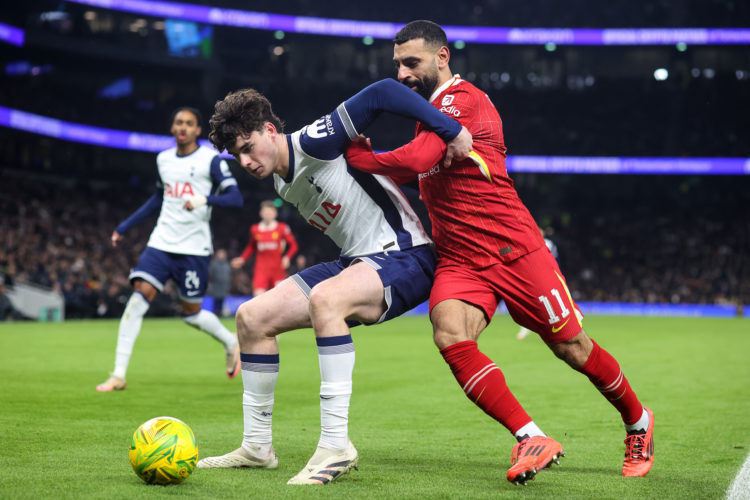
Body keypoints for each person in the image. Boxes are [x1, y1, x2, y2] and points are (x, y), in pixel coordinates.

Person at [345, 20, 653, 483]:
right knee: (450, 334)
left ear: (442, 57)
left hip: (513, 249)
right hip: (461, 259)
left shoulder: (461, 100)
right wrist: (378, 162)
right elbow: (415, 169)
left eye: (413, 62)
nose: (404, 73)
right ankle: (529, 436)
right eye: (397, 65)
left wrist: (361, 157)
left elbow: (412, 161)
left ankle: (639, 422)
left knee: (571, 348)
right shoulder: (427, 112)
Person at [195, 79, 472, 484]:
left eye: (248, 147)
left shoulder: (312, 141)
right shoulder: (279, 180)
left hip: (406, 255)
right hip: (357, 261)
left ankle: (335, 444)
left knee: (325, 299)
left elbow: (382, 93)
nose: (245, 161)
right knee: (251, 317)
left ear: (270, 131)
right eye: (237, 155)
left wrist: (450, 128)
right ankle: (256, 447)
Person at [96, 107, 244, 392]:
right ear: (172, 127)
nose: (183, 127)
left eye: (189, 123)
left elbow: (235, 197)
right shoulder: (163, 159)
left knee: (192, 314)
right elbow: (157, 199)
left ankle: (230, 342)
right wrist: (124, 227)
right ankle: (118, 374)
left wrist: (203, 200)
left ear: (198, 130)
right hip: (161, 242)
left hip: (194, 248)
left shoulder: (210, 160)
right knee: (137, 301)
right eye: (178, 122)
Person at [231, 200, 298, 296]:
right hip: (261, 269)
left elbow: (294, 245)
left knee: (278, 299)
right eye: (265, 212)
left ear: (275, 214)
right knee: (257, 297)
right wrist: (242, 258)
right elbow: (251, 246)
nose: (268, 215)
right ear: (261, 213)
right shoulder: (255, 229)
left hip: (277, 270)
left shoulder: (282, 228)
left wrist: (287, 257)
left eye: (270, 212)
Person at [516, 227, 558, 340]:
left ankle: (555, 327)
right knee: (528, 304)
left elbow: (553, 259)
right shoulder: (528, 242)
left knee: (550, 303)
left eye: (541, 231)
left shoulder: (549, 244)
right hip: (531, 277)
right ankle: (525, 330)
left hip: (546, 276)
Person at [208, 249, 232, 317]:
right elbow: (210, 274)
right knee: (216, 301)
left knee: (222, 301)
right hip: (216, 286)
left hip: (224, 286)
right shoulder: (214, 264)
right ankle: (215, 313)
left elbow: (228, 274)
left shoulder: (226, 264)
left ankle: (220, 313)